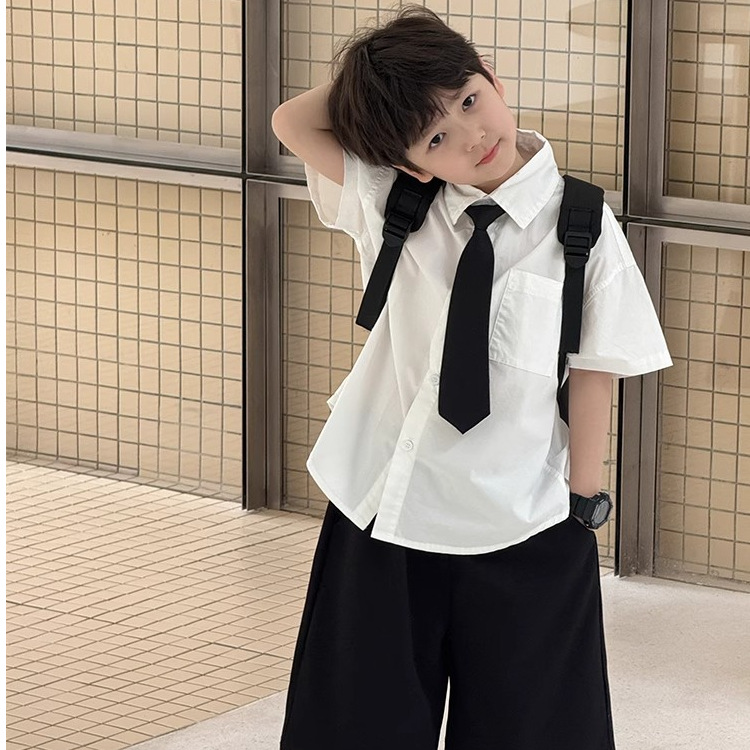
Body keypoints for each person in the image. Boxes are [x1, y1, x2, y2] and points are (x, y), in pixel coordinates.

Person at [271, 5, 672, 749]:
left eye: (468, 99)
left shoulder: (583, 225)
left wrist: (583, 505)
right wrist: (384, 93)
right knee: (358, 728)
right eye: (435, 138)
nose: (470, 135)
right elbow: (292, 120)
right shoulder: (398, 202)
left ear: (492, 76)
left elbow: (594, 370)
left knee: (533, 732)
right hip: (383, 510)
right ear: (410, 161)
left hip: (519, 519)